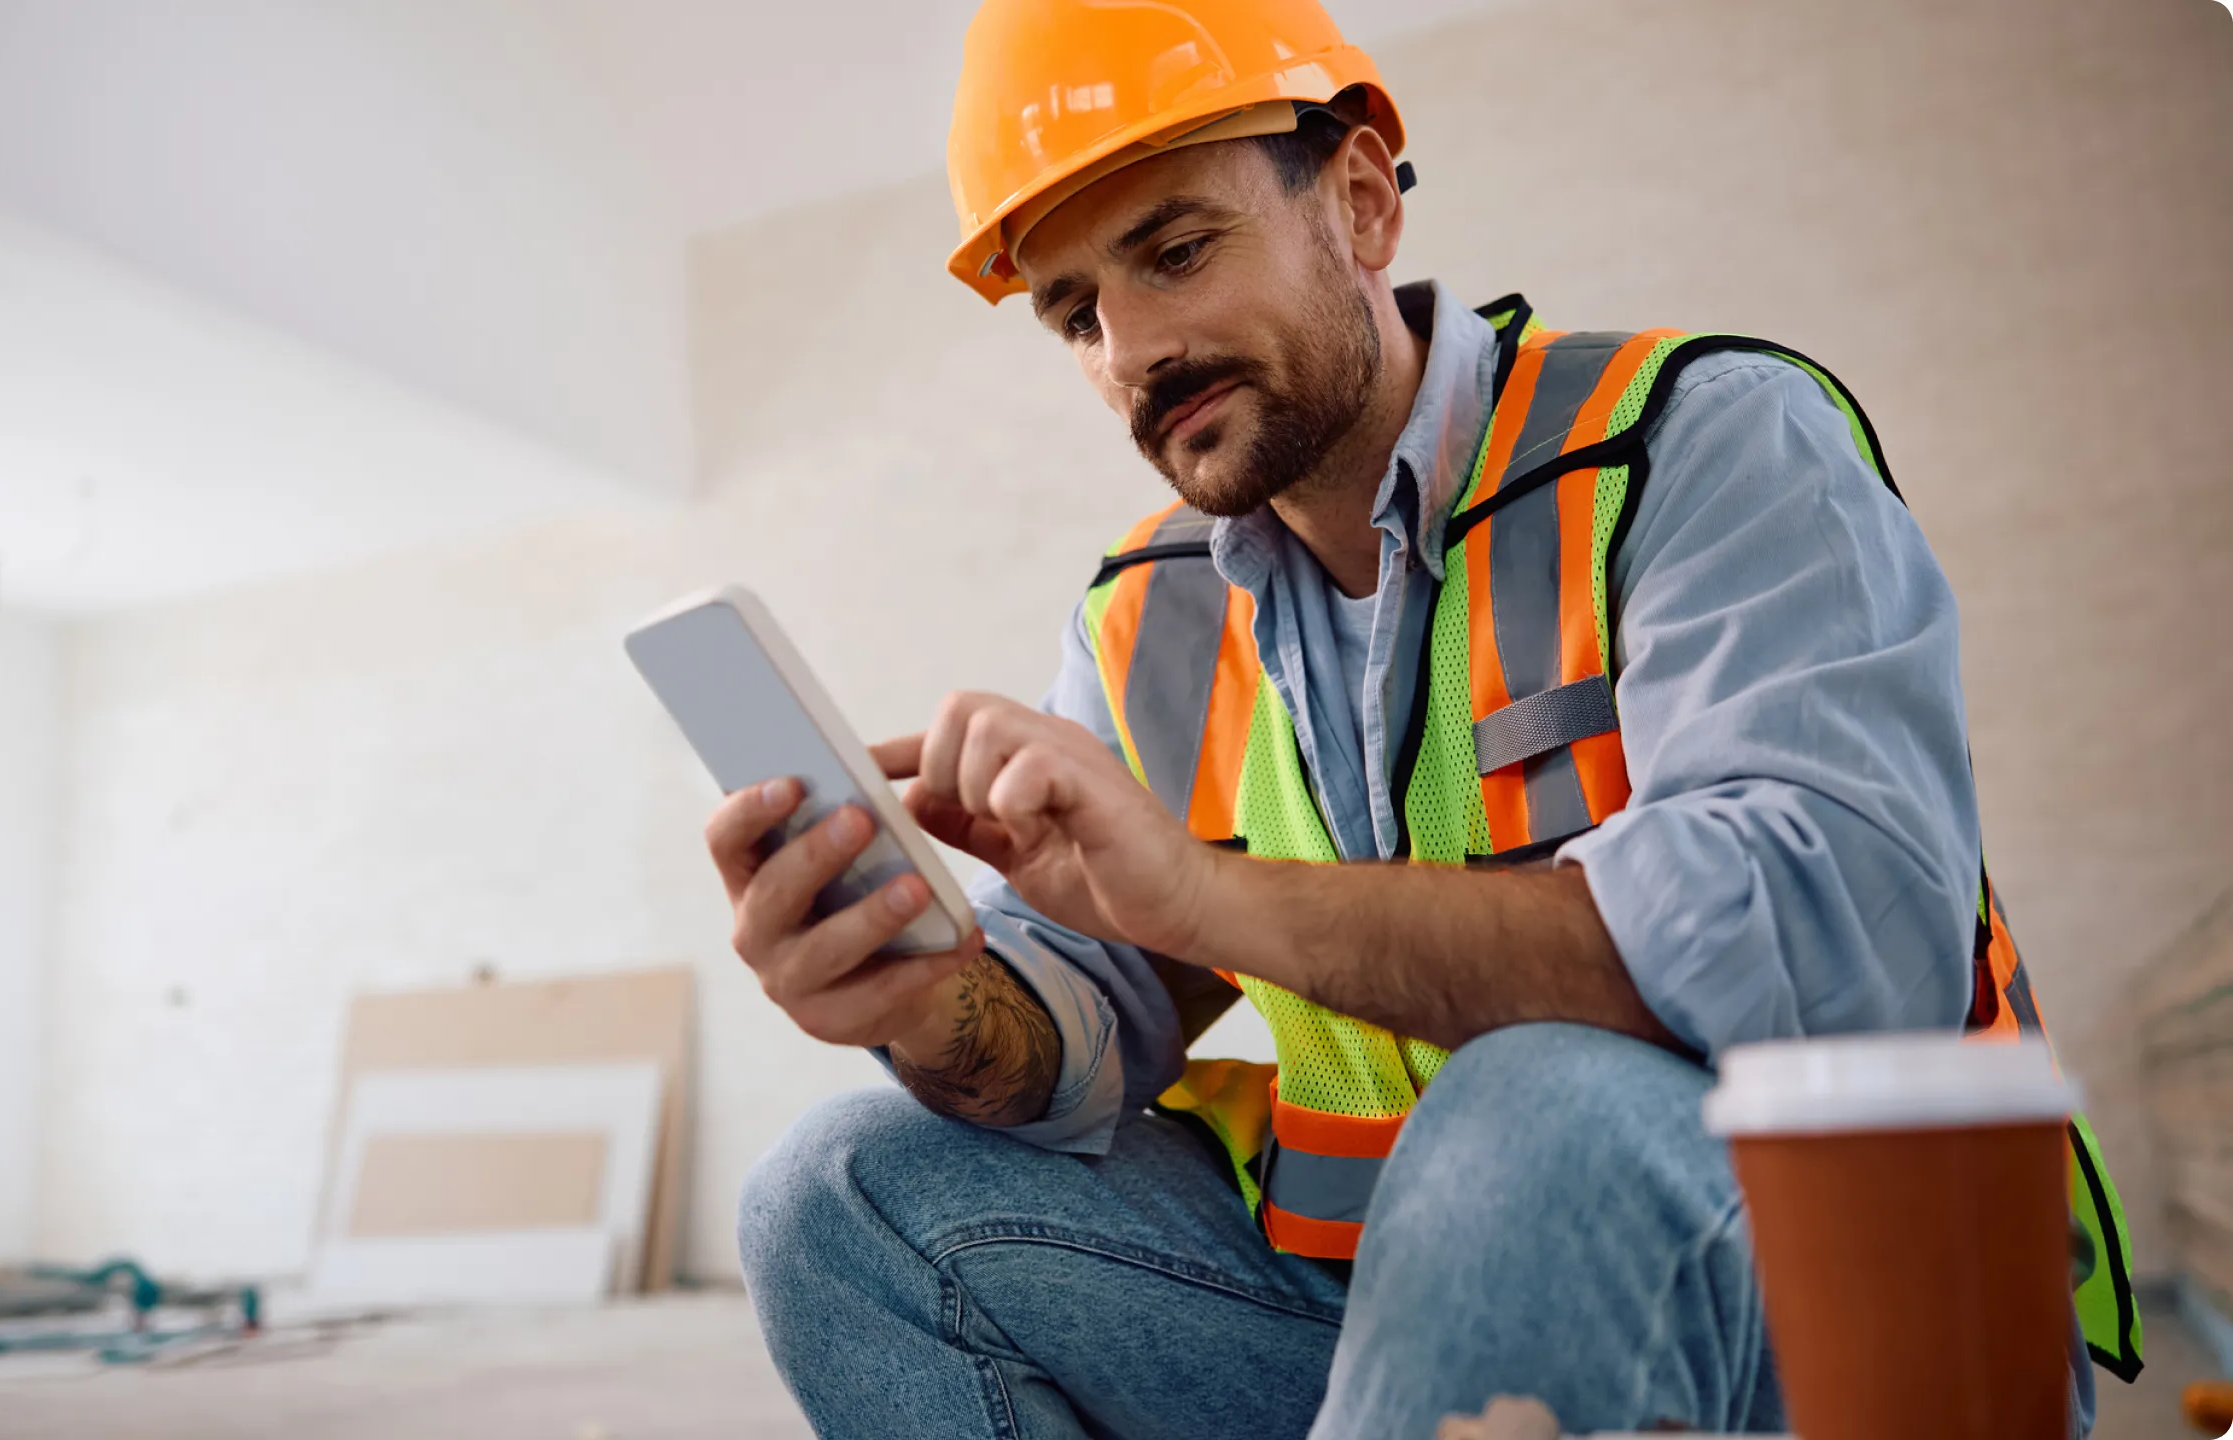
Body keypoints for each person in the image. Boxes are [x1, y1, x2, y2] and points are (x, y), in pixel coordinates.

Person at [707, 2, 2139, 1436]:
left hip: (1827, 1329)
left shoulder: (1698, 445)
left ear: (1362, 201)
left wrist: (1210, 896)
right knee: (837, 1195)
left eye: (1177, 250)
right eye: (1077, 313)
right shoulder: (1149, 618)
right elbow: (1086, 1012)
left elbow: (1835, 946)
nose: (1132, 347)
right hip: (1397, 1333)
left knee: (1537, 1108)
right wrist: (928, 1004)